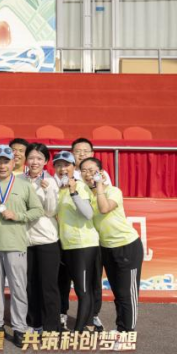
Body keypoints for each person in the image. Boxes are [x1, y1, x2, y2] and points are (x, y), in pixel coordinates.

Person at [0, 145, 43, 348]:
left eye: (6, 161)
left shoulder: (24, 185)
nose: (2, 166)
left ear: (13, 163)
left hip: (15, 244)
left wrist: (18, 216)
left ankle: (20, 328)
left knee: (18, 288)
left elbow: (37, 210)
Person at [80, 157, 143, 341]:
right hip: (106, 248)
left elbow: (104, 208)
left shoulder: (113, 191)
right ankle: (121, 327)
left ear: (100, 172)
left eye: (92, 170)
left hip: (126, 246)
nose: (88, 174)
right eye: (84, 171)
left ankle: (127, 332)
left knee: (127, 293)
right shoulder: (87, 195)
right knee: (118, 292)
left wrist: (99, 186)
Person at [53, 150, 99, 333]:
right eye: (58, 165)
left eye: (66, 165)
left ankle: (80, 330)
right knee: (66, 287)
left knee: (82, 289)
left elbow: (88, 214)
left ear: (74, 167)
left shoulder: (80, 186)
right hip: (66, 245)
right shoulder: (59, 190)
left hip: (83, 245)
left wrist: (74, 193)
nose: (62, 169)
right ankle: (70, 323)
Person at [71, 137, 108, 332]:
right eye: (78, 151)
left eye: (85, 151)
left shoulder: (101, 176)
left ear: (92, 154)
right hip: (71, 238)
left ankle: (93, 315)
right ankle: (62, 313)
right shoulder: (67, 174)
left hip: (94, 236)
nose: (82, 154)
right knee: (71, 281)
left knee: (94, 279)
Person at [23, 143, 61, 334]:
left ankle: (51, 326)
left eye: (39, 158)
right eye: (31, 157)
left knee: (48, 285)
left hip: (47, 240)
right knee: (29, 284)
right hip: (24, 240)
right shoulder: (18, 179)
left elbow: (51, 211)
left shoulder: (50, 181)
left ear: (46, 161)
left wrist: (48, 192)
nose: (35, 162)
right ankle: (33, 323)